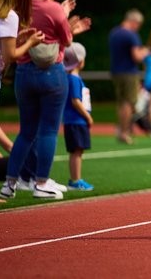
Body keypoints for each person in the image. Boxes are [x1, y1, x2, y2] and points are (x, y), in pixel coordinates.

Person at [0, 0, 89, 200]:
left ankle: (10, 184)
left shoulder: (17, 6)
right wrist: (67, 18)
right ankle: (41, 182)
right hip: (51, 74)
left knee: (26, 131)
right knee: (49, 130)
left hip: (24, 72)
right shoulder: (53, 9)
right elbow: (67, 40)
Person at [0, 0, 45, 96]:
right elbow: (9, 56)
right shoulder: (10, 15)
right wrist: (30, 43)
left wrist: (17, 40)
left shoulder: (0, 10)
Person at [109, 9, 149, 144]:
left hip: (116, 72)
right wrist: (145, 51)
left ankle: (120, 130)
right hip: (129, 72)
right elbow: (137, 56)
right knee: (129, 103)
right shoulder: (131, 35)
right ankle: (125, 133)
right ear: (134, 21)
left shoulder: (114, 33)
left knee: (121, 102)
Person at [62, 42, 94, 191]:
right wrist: (87, 116)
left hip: (75, 120)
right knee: (77, 150)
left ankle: (76, 179)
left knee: (78, 150)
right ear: (80, 61)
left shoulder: (71, 78)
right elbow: (76, 101)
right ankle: (75, 180)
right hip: (76, 120)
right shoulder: (74, 79)